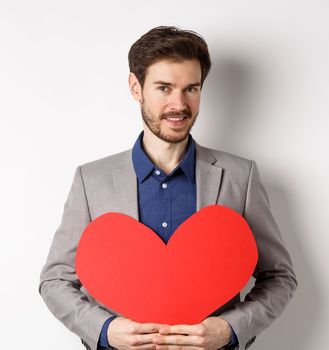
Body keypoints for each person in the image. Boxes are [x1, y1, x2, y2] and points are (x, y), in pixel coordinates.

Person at [39, 26, 297, 350]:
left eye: (191, 88)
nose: (179, 104)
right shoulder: (91, 181)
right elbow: (55, 281)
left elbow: (279, 277)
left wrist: (229, 330)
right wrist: (105, 331)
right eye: (164, 88)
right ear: (136, 87)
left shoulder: (239, 177)